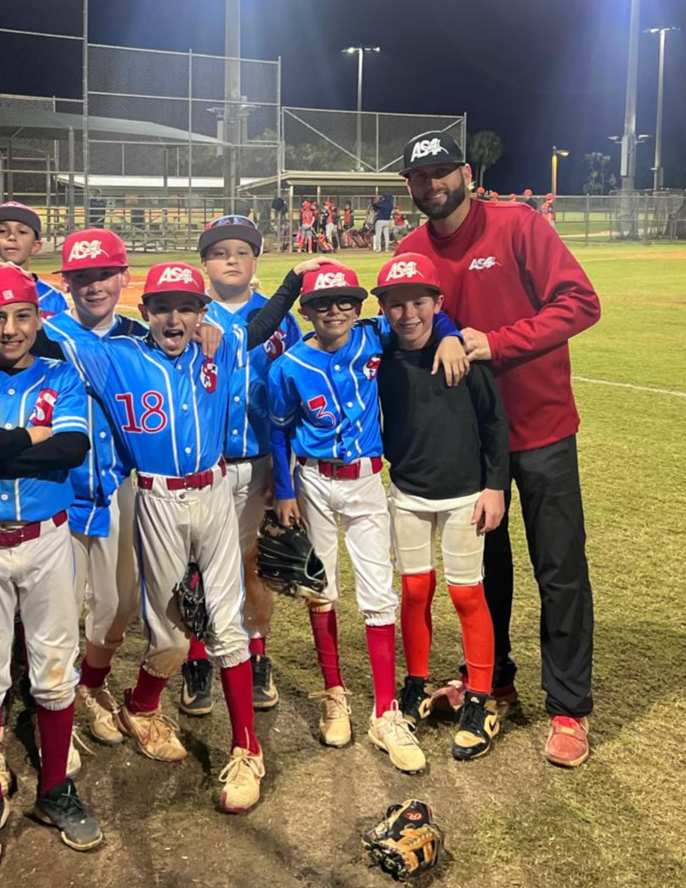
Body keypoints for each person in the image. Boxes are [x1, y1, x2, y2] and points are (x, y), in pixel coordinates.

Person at [40, 258, 319, 816]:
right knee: (168, 635)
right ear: (144, 311)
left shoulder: (220, 347)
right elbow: (46, 334)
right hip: (154, 499)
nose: (174, 318)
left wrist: (292, 281)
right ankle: (141, 705)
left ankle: (247, 750)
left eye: (187, 308)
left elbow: (260, 325)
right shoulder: (114, 356)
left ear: (202, 312)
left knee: (227, 624)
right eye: (163, 307)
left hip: (215, 493)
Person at [395, 129, 600, 768]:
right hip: (467, 445)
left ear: (465, 173)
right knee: (484, 571)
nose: (431, 184)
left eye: (441, 171)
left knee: (558, 568)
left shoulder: (518, 225)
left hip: (540, 428)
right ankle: (496, 680)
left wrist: (498, 342)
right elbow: (408, 318)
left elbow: (581, 302)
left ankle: (568, 705)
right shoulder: (411, 249)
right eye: (419, 176)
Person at [267, 264, 467, 774]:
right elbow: (278, 430)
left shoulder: (373, 335)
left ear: (360, 308)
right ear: (305, 311)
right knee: (321, 588)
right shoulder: (288, 366)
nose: (335, 311)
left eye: (346, 302)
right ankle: (334, 694)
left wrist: (449, 335)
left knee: (378, 591)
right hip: (312, 479)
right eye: (322, 303)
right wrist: (284, 490)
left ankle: (384, 712)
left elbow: (419, 320)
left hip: (365, 480)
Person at [0, 264, 99, 877]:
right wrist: (32, 437)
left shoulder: (62, 374)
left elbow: (72, 448)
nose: (11, 329)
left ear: (38, 319)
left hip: (47, 540)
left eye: (23, 315)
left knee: (55, 672)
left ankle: (55, 788)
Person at [372, 252, 509, 761]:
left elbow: (494, 424)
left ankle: (480, 697)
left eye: (419, 302)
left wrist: (495, 487)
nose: (408, 314)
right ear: (383, 308)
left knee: (467, 593)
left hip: (464, 494)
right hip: (408, 491)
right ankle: (416, 685)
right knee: (414, 591)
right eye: (396, 304)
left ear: (438, 303)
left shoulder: (462, 355)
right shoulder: (380, 356)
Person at [178, 215, 301, 716]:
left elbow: (293, 396)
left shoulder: (280, 319)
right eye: (220, 252)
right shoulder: (185, 315)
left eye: (242, 251)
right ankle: (197, 656)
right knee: (195, 565)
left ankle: (256, 652)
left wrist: (285, 470)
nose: (232, 260)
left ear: (256, 260)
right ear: (204, 262)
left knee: (252, 563)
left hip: (257, 461)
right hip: (202, 465)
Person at [44, 229, 146, 746]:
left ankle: (92, 683)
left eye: (104, 274)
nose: (94, 285)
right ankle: (54, 706)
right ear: (67, 282)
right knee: (55, 608)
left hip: (120, 484)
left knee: (118, 602)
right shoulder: (43, 335)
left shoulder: (142, 335)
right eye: (82, 276)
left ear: (124, 277)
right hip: (57, 487)